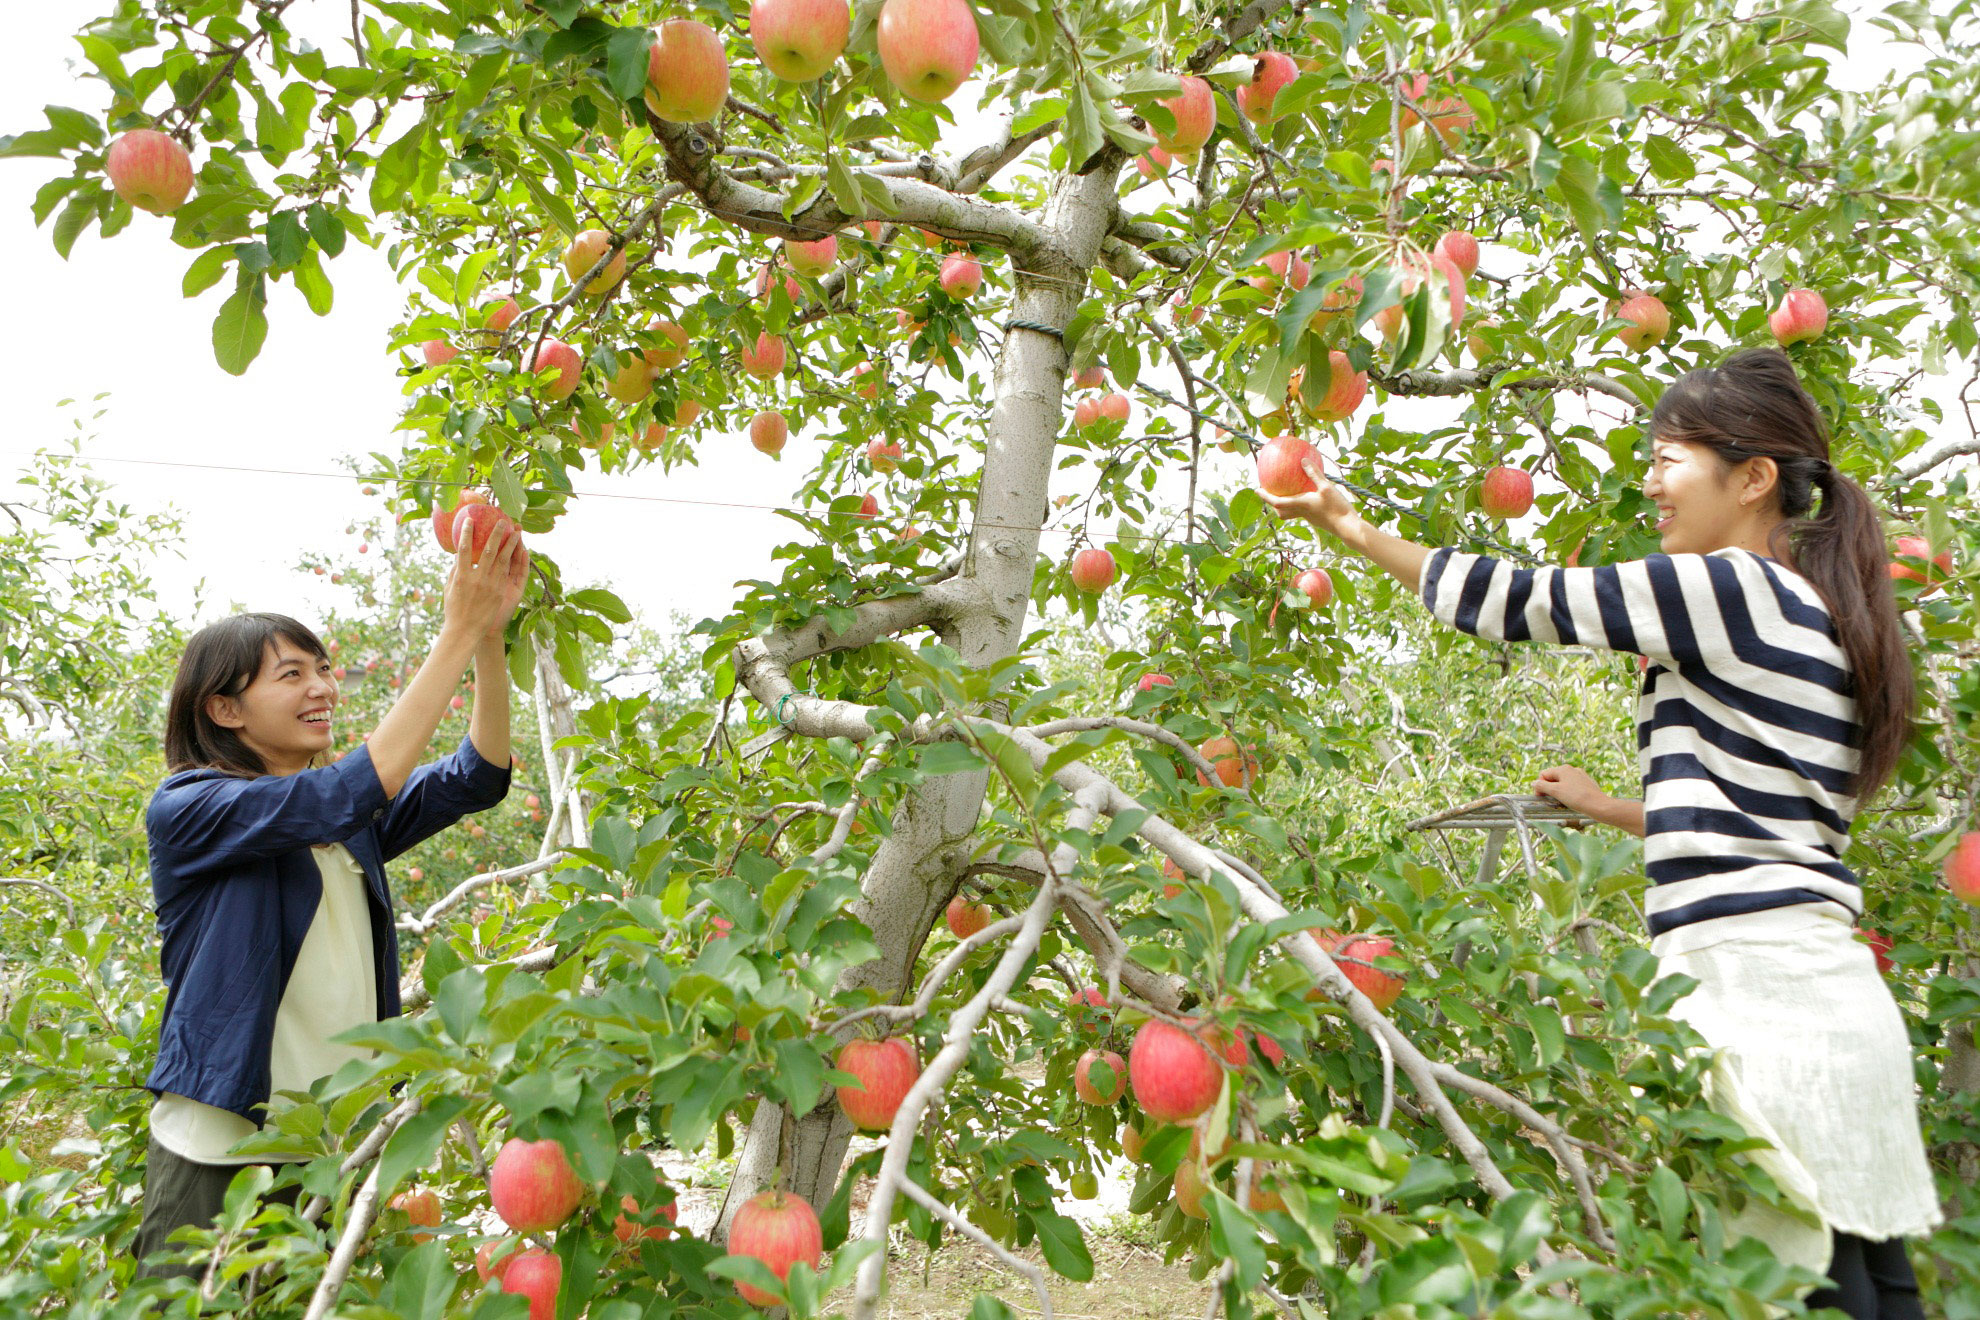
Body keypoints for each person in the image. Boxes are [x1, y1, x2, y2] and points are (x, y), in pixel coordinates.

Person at [1263, 347, 1940, 1318]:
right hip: (1828, 1009)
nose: (1650, 482)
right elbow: (1754, 819)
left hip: (1763, 1006)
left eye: (1669, 459)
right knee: (1871, 1295)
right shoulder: (1814, 610)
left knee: (1787, 1292)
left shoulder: (1734, 587)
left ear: (1752, 480)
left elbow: (1525, 603)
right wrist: (1609, 808)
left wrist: (1350, 526)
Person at [132, 521, 527, 1280]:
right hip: (221, 1153)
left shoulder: (349, 820)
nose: (322, 689)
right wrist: (454, 627)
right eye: (291, 675)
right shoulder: (191, 809)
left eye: (324, 669)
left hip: (330, 1152)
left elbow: (479, 774)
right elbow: (340, 795)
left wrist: (487, 638)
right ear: (224, 710)